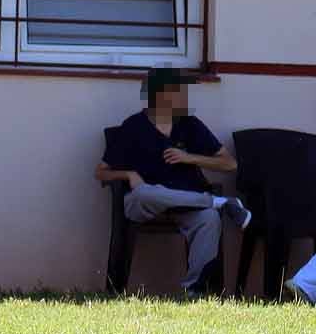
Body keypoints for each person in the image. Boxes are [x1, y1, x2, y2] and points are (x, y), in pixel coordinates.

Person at [95, 68, 250, 297]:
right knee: (145, 192)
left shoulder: (189, 124)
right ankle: (218, 202)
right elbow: (101, 173)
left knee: (208, 219)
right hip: (144, 203)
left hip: (186, 205)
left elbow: (229, 163)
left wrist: (190, 157)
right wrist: (128, 174)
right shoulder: (133, 127)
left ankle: (193, 291)